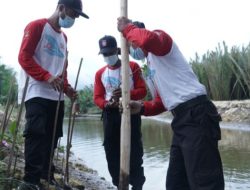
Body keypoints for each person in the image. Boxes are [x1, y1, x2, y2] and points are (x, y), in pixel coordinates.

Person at [117, 17, 225, 190]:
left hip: (196, 114)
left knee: (204, 182)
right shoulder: (150, 67)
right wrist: (142, 107)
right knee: (176, 182)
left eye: (131, 44)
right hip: (181, 120)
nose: (132, 50)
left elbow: (146, 39)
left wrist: (126, 28)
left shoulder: (161, 41)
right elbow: (162, 102)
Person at [17, 0, 88, 189]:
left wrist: (68, 89)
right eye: (73, 14)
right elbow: (24, 57)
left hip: (55, 96)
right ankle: (30, 181)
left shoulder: (64, 38)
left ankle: (46, 175)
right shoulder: (37, 26)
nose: (74, 19)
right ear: (62, 8)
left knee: (53, 136)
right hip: (36, 90)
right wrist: (46, 76)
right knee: (35, 133)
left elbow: (61, 71)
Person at [93, 35, 147, 190]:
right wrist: (107, 104)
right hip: (110, 116)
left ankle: (137, 185)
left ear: (117, 50)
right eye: (104, 54)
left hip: (130, 112)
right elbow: (97, 97)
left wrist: (126, 94)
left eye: (110, 52)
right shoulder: (100, 74)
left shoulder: (132, 66)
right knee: (111, 152)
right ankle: (119, 185)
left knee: (135, 151)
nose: (108, 56)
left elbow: (142, 91)